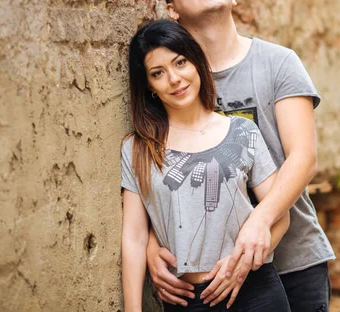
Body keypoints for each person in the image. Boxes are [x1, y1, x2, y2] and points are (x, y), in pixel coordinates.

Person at [147, 0, 335, 311]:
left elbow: (304, 158)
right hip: (211, 278)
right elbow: (164, 172)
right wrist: (153, 246)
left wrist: (258, 224)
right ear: (172, 11)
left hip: (292, 261)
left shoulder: (278, 62)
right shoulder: (173, 84)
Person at [121, 19, 291, 311]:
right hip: (185, 300)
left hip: (252, 291)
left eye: (180, 62)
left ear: (197, 63)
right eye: (158, 73)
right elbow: (134, 237)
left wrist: (241, 266)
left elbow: (280, 217)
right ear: (148, 86)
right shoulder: (138, 148)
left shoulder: (242, 132)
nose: (174, 79)